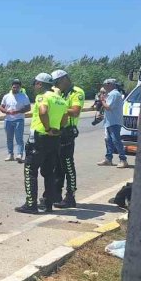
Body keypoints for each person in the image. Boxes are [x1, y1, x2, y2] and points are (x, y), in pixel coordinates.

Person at [16, 73, 68, 214]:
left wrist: (47, 128)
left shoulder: (42, 97)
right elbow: (65, 118)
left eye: (35, 84)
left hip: (39, 138)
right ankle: (48, 203)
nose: (34, 87)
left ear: (40, 84)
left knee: (30, 171)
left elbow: (43, 111)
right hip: (54, 139)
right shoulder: (60, 99)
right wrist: (57, 129)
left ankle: (31, 204)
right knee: (49, 172)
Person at [51, 69, 86, 207]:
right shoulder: (60, 93)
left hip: (67, 132)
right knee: (56, 166)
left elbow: (75, 111)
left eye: (57, 82)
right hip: (57, 131)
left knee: (67, 165)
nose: (56, 85)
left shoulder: (76, 92)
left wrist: (58, 109)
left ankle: (70, 196)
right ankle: (55, 195)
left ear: (65, 79)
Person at [98, 78, 129, 168]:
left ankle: (123, 160)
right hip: (110, 121)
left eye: (105, 85)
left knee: (116, 141)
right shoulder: (112, 94)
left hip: (114, 122)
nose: (104, 87)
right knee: (109, 141)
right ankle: (108, 159)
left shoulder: (114, 94)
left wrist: (102, 100)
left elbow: (108, 107)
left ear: (110, 85)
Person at [0, 79, 31, 162]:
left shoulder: (23, 96)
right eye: (14, 87)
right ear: (11, 87)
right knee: (9, 138)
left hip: (19, 120)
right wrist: (6, 111)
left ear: (20, 88)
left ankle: (19, 154)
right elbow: (1, 107)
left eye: (17, 87)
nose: (15, 89)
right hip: (8, 120)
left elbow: (28, 108)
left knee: (19, 138)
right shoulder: (6, 96)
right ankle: (10, 154)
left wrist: (18, 111)